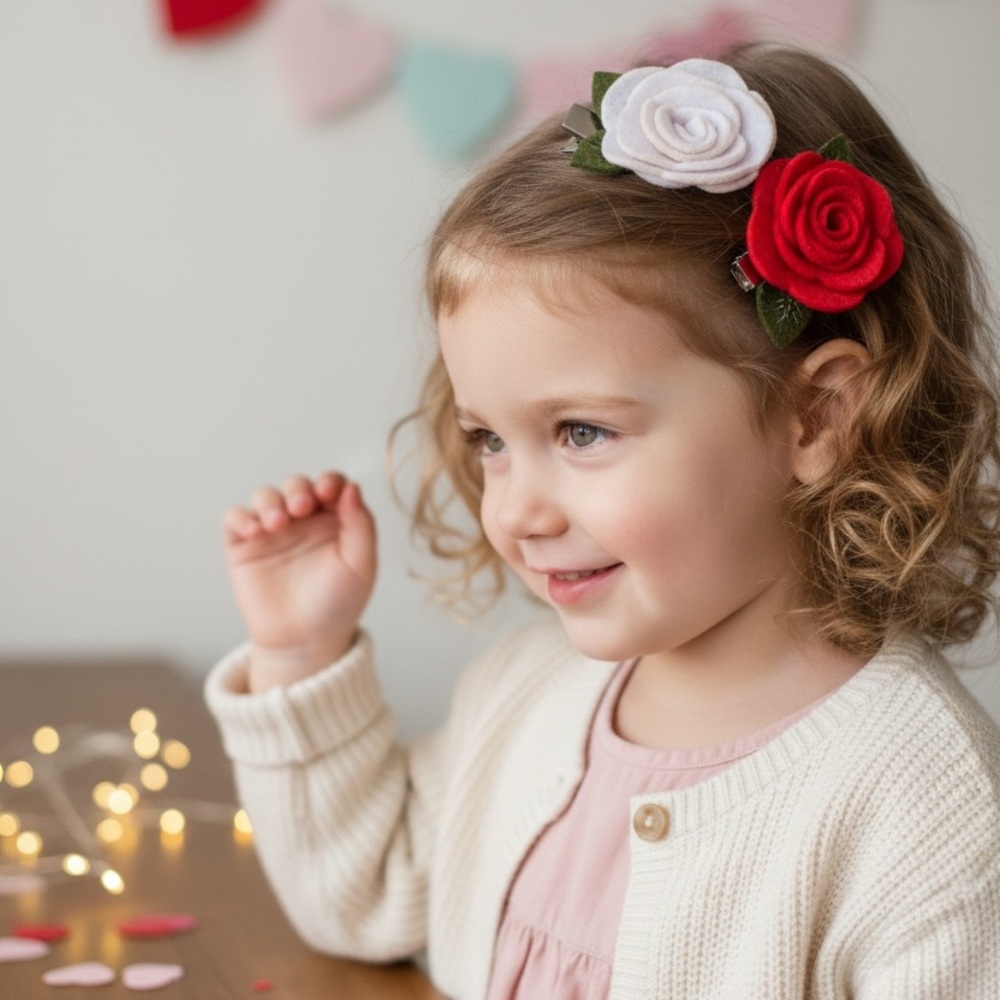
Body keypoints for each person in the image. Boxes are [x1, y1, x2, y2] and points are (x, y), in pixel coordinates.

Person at [205, 44, 1000, 999]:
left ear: (818, 416)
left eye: (581, 431)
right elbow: (361, 895)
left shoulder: (924, 808)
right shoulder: (527, 694)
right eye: (488, 439)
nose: (513, 510)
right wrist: (300, 653)